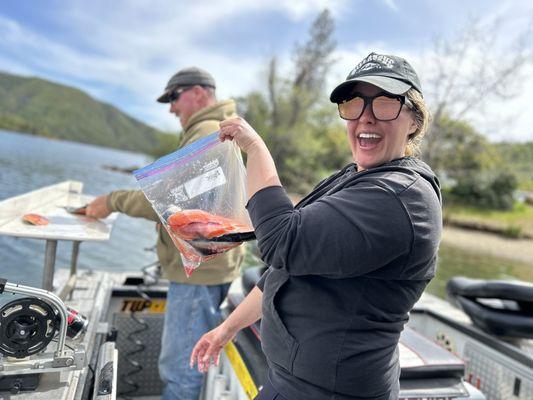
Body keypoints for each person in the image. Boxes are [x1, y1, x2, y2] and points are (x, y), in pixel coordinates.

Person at [190, 52, 442, 400]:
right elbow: (285, 265)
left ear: (414, 120)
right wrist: (228, 328)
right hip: (290, 381)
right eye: (354, 105)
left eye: (385, 104)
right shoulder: (356, 177)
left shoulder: (398, 197)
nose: (365, 118)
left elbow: (282, 241)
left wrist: (256, 149)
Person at [86, 67, 244, 400]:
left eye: (174, 97)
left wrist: (111, 201)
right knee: (186, 366)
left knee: (181, 372)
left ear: (198, 93)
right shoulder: (217, 129)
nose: (171, 107)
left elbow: (164, 200)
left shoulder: (205, 131)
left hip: (197, 279)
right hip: (210, 271)